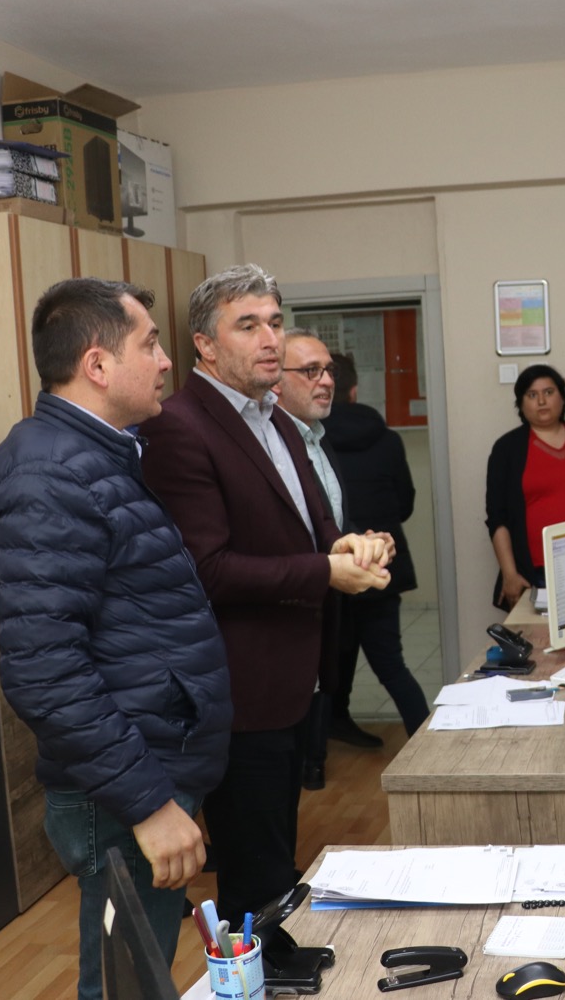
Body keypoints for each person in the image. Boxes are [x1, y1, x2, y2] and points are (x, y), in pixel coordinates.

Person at [0, 277, 233, 1000]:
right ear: (97, 364)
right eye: (149, 344)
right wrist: (149, 803)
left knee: (138, 978)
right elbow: (44, 671)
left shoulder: (95, 454)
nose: (166, 361)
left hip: (138, 766)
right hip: (122, 787)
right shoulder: (52, 474)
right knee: (125, 985)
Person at [138, 263, 393, 921]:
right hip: (239, 686)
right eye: (248, 326)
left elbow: (312, 527)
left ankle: (276, 959)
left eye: (275, 323)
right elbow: (209, 569)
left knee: (278, 859)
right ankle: (261, 968)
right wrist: (325, 572)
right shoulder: (179, 425)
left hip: (295, 675)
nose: (270, 339)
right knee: (255, 874)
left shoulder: (275, 417)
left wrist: (350, 546)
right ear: (205, 344)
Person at [325, 353, 431, 739]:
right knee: (390, 664)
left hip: (330, 565)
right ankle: (424, 739)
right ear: (354, 391)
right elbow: (405, 502)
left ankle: (321, 753)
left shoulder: (308, 441)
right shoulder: (387, 439)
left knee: (330, 663)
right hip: (381, 563)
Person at [274, 327, 353, 785]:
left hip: (324, 604)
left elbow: (328, 525)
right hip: (286, 615)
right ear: (275, 380)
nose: (325, 381)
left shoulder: (319, 441)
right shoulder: (273, 448)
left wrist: (357, 543)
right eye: (310, 371)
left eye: (329, 370)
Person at [485, 363, 565, 608]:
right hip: (538, 574)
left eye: (549, 392)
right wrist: (510, 575)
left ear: (562, 397)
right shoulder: (507, 449)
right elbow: (497, 518)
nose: (542, 401)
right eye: (532, 395)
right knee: (543, 634)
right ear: (521, 404)